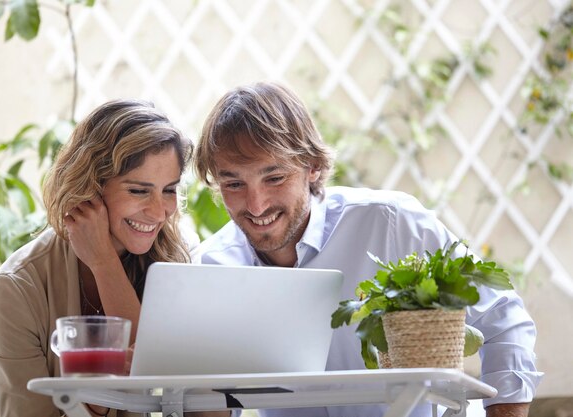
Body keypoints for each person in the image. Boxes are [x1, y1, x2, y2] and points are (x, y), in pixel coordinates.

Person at [195, 81, 543, 417]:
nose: (256, 205)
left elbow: (504, 316)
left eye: (274, 178)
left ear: (312, 167)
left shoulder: (391, 223)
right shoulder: (213, 266)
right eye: (234, 183)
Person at [0, 100, 196, 417]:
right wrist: (94, 403)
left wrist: (104, 261)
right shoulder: (19, 287)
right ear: (90, 187)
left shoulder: (177, 262)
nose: (160, 212)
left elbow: (172, 386)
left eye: (169, 190)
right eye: (138, 191)